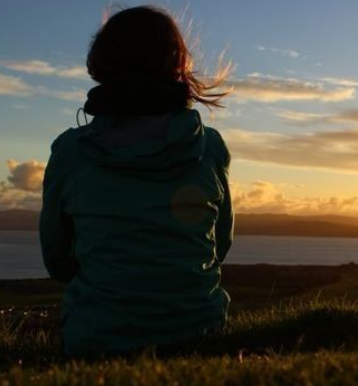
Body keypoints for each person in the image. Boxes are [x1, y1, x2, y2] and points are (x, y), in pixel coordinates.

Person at [39, 5, 234, 357]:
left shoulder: (71, 153)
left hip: (96, 341)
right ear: (177, 64)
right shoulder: (209, 147)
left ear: (101, 64)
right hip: (200, 335)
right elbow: (219, 246)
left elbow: (57, 261)